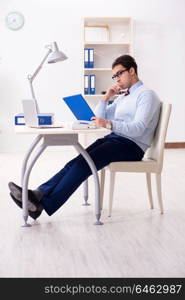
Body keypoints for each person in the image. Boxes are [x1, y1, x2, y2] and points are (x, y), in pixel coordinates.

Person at [8, 55, 161, 220]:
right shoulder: (124, 97)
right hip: (116, 139)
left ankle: (43, 205)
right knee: (76, 162)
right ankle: (38, 194)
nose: (117, 79)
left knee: (83, 165)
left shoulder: (147, 95)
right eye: (114, 76)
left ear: (132, 71)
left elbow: (138, 129)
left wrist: (109, 123)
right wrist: (106, 97)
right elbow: (96, 118)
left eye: (119, 74)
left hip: (132, 146)